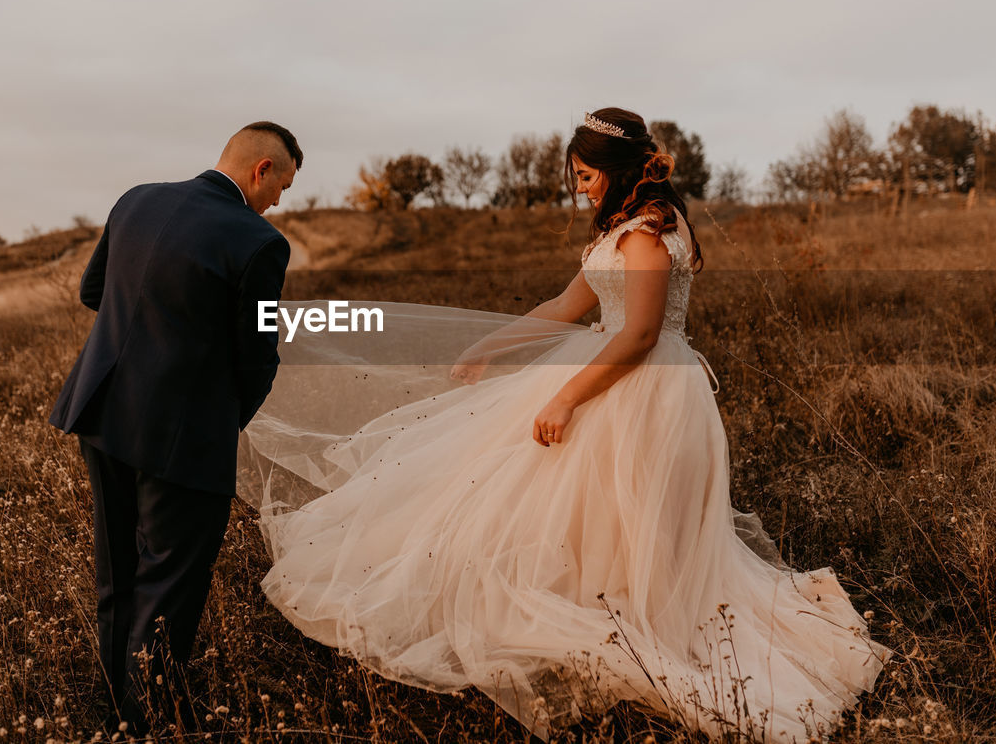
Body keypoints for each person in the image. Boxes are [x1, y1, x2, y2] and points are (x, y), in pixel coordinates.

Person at [236, 109, 889, 742]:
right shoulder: (618, 231)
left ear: (614, 169)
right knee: (562, 509)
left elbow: (637, 334)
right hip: (599, 366)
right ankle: (597, 605)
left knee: (630, 520)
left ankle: (646, 628)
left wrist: (567, 398)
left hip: (647, 388)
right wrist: (495, 343)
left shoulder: (648, 232)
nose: (579, 189)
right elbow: (566, 304)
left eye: (584, 175)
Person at [49, 121, 301, 733]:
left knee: (118, 577)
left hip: (102, 412)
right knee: (169, 585)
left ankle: (115, 710)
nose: (279, 202)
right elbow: (257, 359)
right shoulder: (259, 243)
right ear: (260, 169)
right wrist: (217, 422)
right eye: (282, 186)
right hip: (183, 440)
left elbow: (93, 293)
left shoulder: (137, 198)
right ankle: (149, 723)